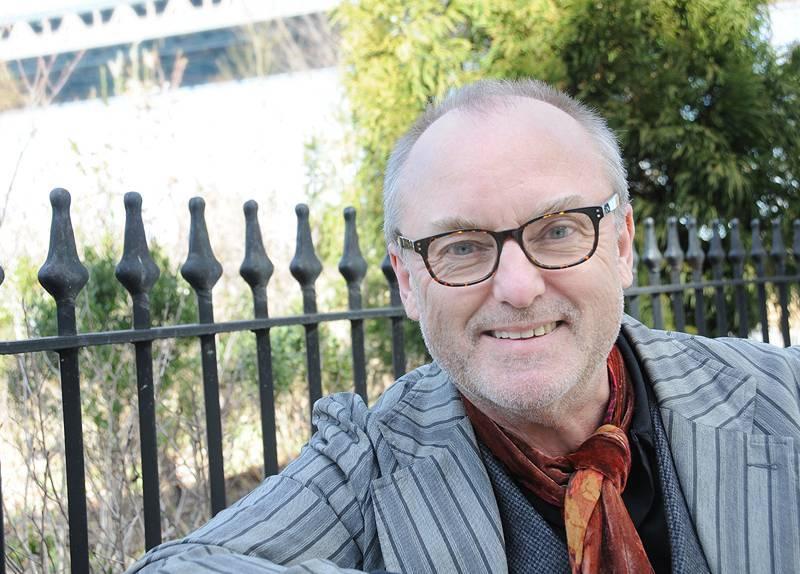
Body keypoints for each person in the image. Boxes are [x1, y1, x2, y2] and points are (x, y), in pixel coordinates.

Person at [129, 79, 800, 574]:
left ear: (621, 245)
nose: (516, 287)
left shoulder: (781, 397)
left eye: (559, 230)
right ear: (408, 280)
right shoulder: (368, 462)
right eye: (461, 247)